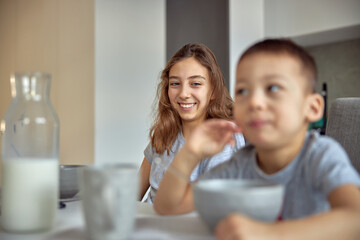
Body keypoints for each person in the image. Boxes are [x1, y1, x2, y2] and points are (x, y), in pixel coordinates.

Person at [154, 39, 360, 239]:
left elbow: (355, 220)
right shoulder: (241, 165)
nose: (254, 102)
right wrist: (191, 153)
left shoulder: (321, 156)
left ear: (312, 108)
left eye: (273, 88)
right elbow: (168, 206)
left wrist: (270, 234)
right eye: (243, 91)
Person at [138, 43, 245, 203]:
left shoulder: (223, 140)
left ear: (214, 90)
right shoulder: (164, 134)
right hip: (148, 224)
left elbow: (209, 206)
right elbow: (131, 195)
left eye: (195, 84)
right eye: (175, 83)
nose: (184, 94)